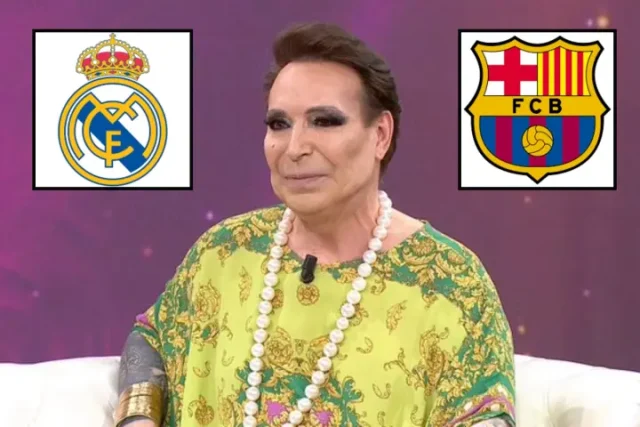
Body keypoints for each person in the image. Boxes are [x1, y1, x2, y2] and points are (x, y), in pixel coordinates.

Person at [114, 22, 516, 427]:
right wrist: (137, 420)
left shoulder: (450, 283)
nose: (295, 148)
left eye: (324, 121)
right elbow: (152, 338)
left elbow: (484, 416)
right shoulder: (225, 252)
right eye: (279, 124)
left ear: (380, 135)